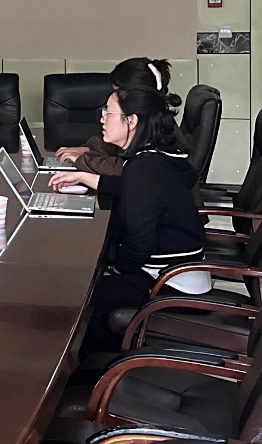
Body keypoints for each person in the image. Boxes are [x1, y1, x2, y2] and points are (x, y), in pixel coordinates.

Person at [48, 87, 206, 354]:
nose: (102, 118)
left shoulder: (143, 168)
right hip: (183, 272)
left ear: (131, 121)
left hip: (169, 283)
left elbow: (140, 245)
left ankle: (99, 369)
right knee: (87, 279)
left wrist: (113, 269)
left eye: (108, 112)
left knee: (80, 297)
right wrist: (86, 178)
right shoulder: (158, 158)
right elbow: (139, 190)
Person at [54, 58, 172, 175]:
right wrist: (89, 150)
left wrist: (84, 160)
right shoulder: (146, 126)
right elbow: (116, 150)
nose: (116, 96)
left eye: (119, 92)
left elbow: (124, 168)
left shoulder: (157, 140)